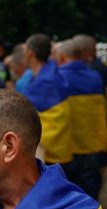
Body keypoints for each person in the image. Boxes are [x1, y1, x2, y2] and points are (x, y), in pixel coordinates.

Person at [57, 39, 107, 199]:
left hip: (67, 149)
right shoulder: (95, 77)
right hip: (92, 148)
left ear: (61, 57)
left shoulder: (58, 78)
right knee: (89, 197)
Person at [20, 33, 74, 166]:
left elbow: (22, 114)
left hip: (50, 155)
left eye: (25, 50)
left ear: (30, 53)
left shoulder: (45, 82)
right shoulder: (51, 73)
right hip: (60, 149)